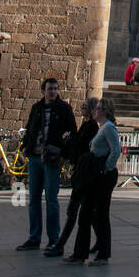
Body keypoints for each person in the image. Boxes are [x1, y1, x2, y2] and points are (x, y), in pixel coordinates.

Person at [17, 77, 77, 253]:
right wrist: (25, 146)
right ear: (43, 90)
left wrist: (64, 154)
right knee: (34, 199)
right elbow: (30, 127)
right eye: (50, 88)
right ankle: (34, 237)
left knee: (51, 199)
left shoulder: (64, 109)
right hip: (35, 157)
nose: (53, 91)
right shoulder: (37, 108)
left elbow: (72, 132)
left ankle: (54, 238)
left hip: (52, 159)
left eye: (55, 88)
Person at [65, 97, 121, 264]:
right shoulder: (102, 128)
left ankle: (103, 254)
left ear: (104, 111)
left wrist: (105, 168)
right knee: (86, 214)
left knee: (101, 214)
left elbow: (116, 151)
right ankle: (79, 253)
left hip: (102, 176)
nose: (93, 110)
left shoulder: (109, 128)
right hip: (95, 175)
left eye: (97, 108)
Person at [49, 95, 99, 257]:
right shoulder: (86, 125)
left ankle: (61, 245)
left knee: (74, 212)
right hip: (80, 171)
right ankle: (101, 241)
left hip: (83, 174)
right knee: (86, 213)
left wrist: (69, 139)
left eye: (85, 105)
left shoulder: (92, 127)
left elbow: (82, 145)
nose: (81, 107)